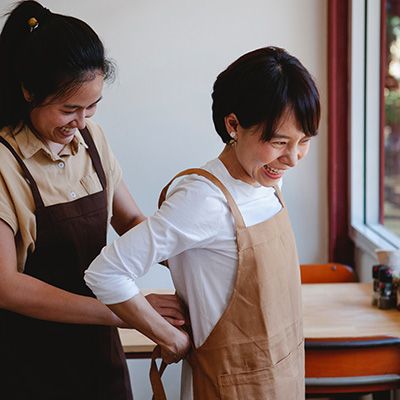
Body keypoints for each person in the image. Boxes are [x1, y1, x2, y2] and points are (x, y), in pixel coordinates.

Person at [85, 46, 320, 399]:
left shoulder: (267, 180)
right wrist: (171, 338)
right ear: (233, 125)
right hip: (227, 387)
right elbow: (106, 273)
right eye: (279, 142)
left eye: (304, 142)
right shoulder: (203, 199)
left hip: (282, 376)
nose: (292, 158)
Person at [0, 1, 189, 399]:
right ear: (28, 90)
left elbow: (130, 219)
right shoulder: (5, 163)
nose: (81, 121)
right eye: (69, 109)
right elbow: (6, 286)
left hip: (100, 359)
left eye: (91, 107)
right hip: (28, 366)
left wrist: (191, 257)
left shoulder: (92, 139)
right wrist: (128, 311)